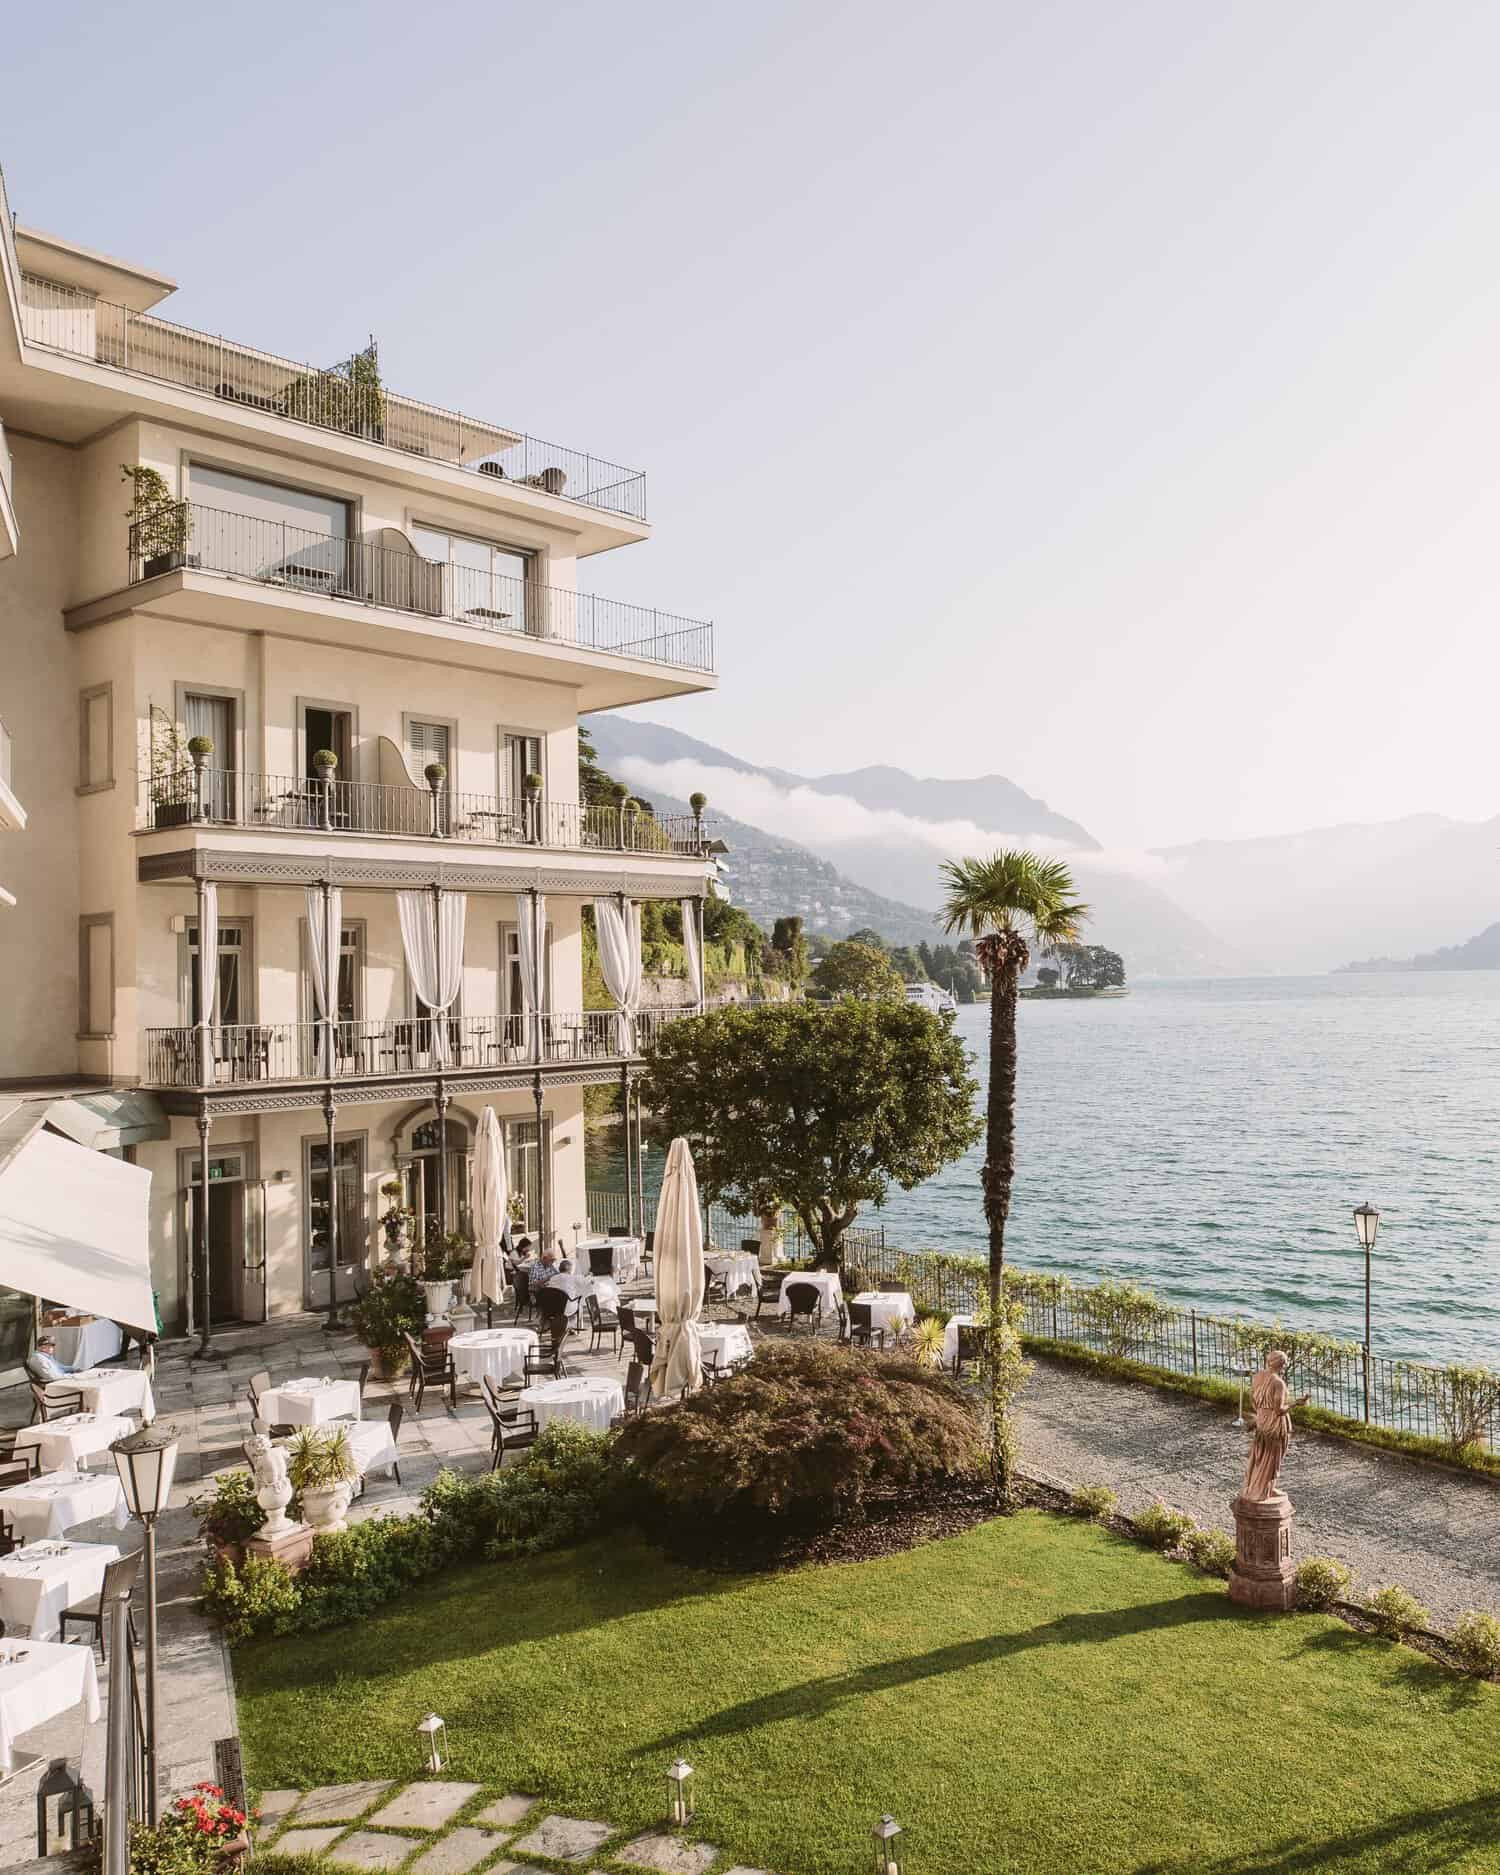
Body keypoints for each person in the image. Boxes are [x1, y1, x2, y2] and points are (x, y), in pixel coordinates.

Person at [1241, 1349, 1309, 1500]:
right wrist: (1296, 1403)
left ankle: (1262, 1487)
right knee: (1273, 1458)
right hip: (1275, 1424)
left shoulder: (1257, 1376)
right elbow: (1279, 1410)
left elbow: (1252, 1399)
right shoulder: (1279, 1384)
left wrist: (1260, 1414)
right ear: (1282, 1365)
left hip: (1262, 1419)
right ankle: (1263, 1490)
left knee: (1260, 1454)